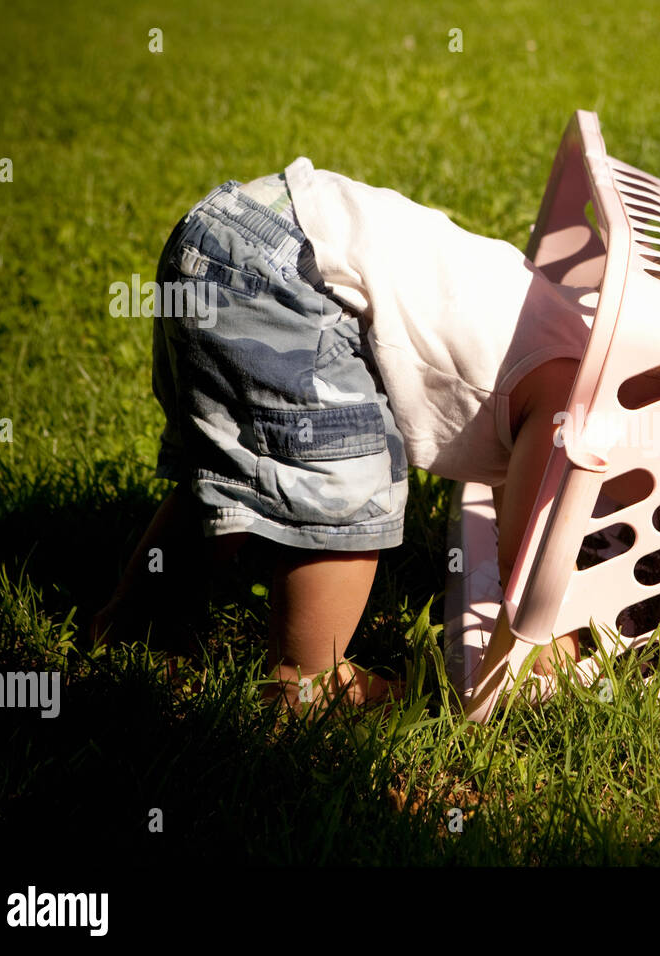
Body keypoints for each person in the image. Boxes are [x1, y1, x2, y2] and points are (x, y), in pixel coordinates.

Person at [91, 158, 595, 716]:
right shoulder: (577, 391)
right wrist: (552, 638)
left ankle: (133, 623)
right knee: (349, 485)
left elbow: (518, 497)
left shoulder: (567, 327)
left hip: (237, 226)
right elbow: (530, 556)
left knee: (237, 470)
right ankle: (304, 679)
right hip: (282, 273)